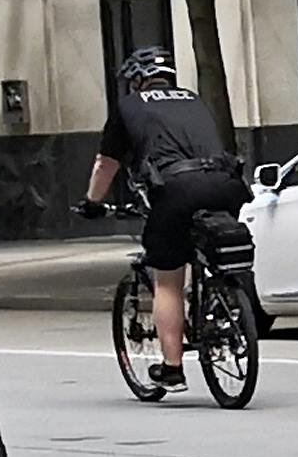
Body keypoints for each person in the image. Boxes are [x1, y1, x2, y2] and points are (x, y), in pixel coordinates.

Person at [79, 48, 246, 389]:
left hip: (177, 188)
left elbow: (105, 164)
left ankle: (172, 368)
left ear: (137, 79)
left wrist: (92, 202)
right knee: (216, 245)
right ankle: (224, 305)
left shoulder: (129, 106)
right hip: (226, 183)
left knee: (168, 280)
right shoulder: (194, 99)